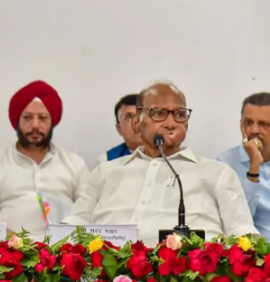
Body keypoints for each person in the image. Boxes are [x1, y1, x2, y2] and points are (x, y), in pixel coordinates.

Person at [63, 81, 257, 246]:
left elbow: (244, 235)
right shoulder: (105, 173)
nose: (171, 123)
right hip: (109, 281)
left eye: (179, 114)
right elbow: (70, 229)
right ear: (136, 123)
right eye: (159, 113)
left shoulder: (217, 173)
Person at [0, 80, 89, 238]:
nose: (35, 125)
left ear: (51, 121)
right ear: (17, 121)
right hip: (8, 253)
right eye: (27, 117)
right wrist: (4, 237)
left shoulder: (74, 164)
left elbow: (87, 211)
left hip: (65, 251)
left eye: (42, 118)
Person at [218, 92, 270, 238]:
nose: (253, 130)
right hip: (255, 251)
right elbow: (237, 221)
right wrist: (254, 166)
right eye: (248, 122)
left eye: (264, 124)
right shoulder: (225, 162)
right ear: (241, 124)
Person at [98, 94, 141, 164]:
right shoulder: (107, 161)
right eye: (129, 117)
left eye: (141, 115)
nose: (136, 122)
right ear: (119, 128)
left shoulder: (164, 155)